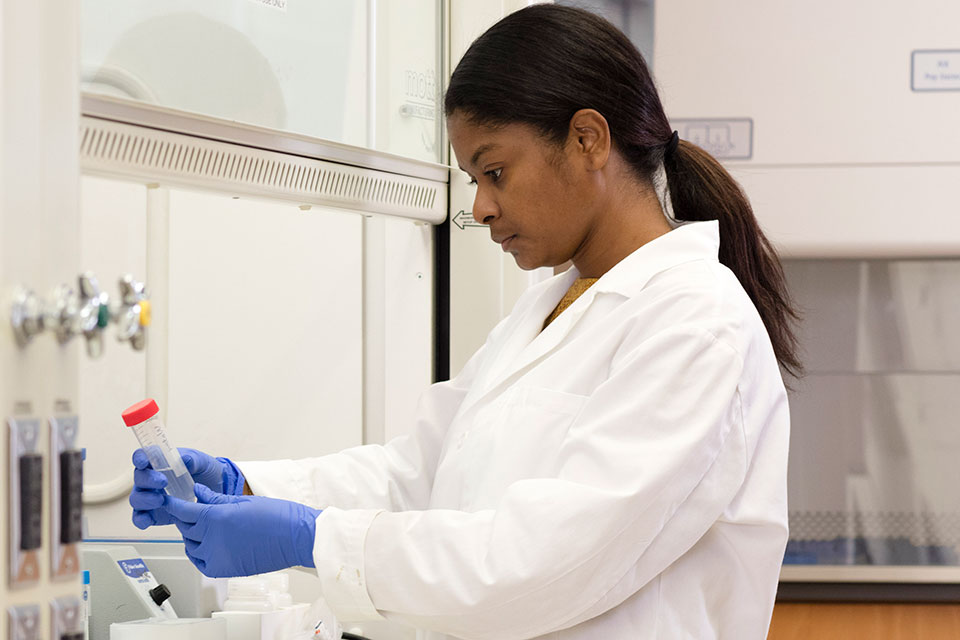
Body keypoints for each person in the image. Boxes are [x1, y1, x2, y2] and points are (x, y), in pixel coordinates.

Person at [130, 5, 801, 639]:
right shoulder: (548, 307)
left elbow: (548, 562)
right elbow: (422, 472)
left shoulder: (693, 321)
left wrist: (314, 536)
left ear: (588, 140)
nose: (479, 208)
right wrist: (246, 485)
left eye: (495, 172)